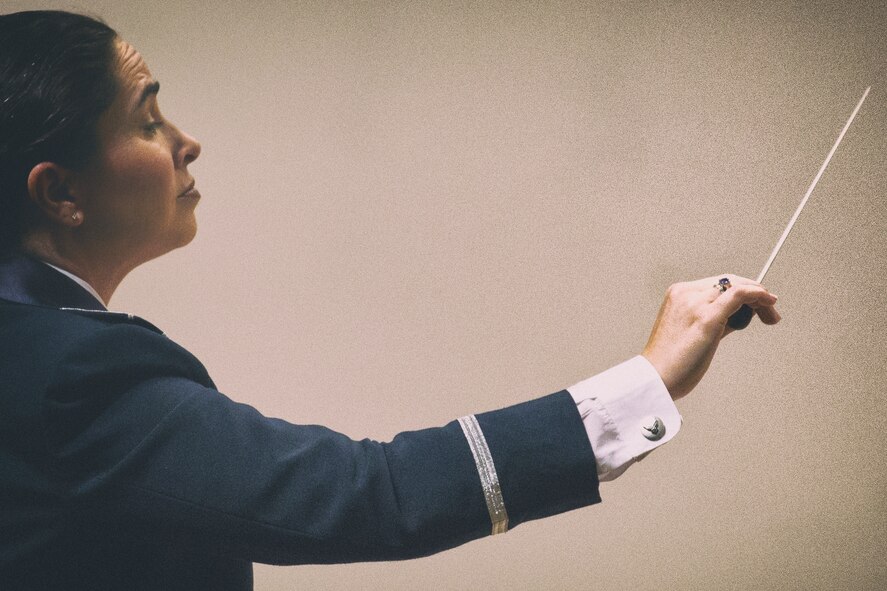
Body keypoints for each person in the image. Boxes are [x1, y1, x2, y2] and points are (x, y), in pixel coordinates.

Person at [0, 10, 781, 591]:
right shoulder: (73, 374)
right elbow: (370, 495)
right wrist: (648, 381)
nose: (184, 141)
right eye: (146, 119)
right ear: (60, 191)